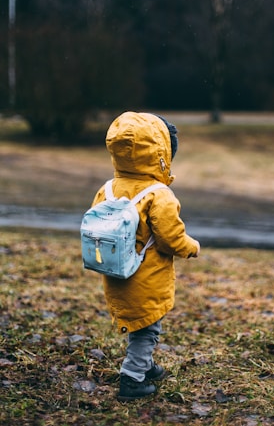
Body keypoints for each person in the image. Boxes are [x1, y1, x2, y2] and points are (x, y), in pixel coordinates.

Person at [91, 111, 200, 401]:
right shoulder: (158, 194)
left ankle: (145, 364)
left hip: (116, 273)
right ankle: (133, 378)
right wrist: (191, 246)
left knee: (140, 324)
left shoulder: (108, 189)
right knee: (148, 329)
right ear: (161, 154)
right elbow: (170, 237)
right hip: (146, 276)